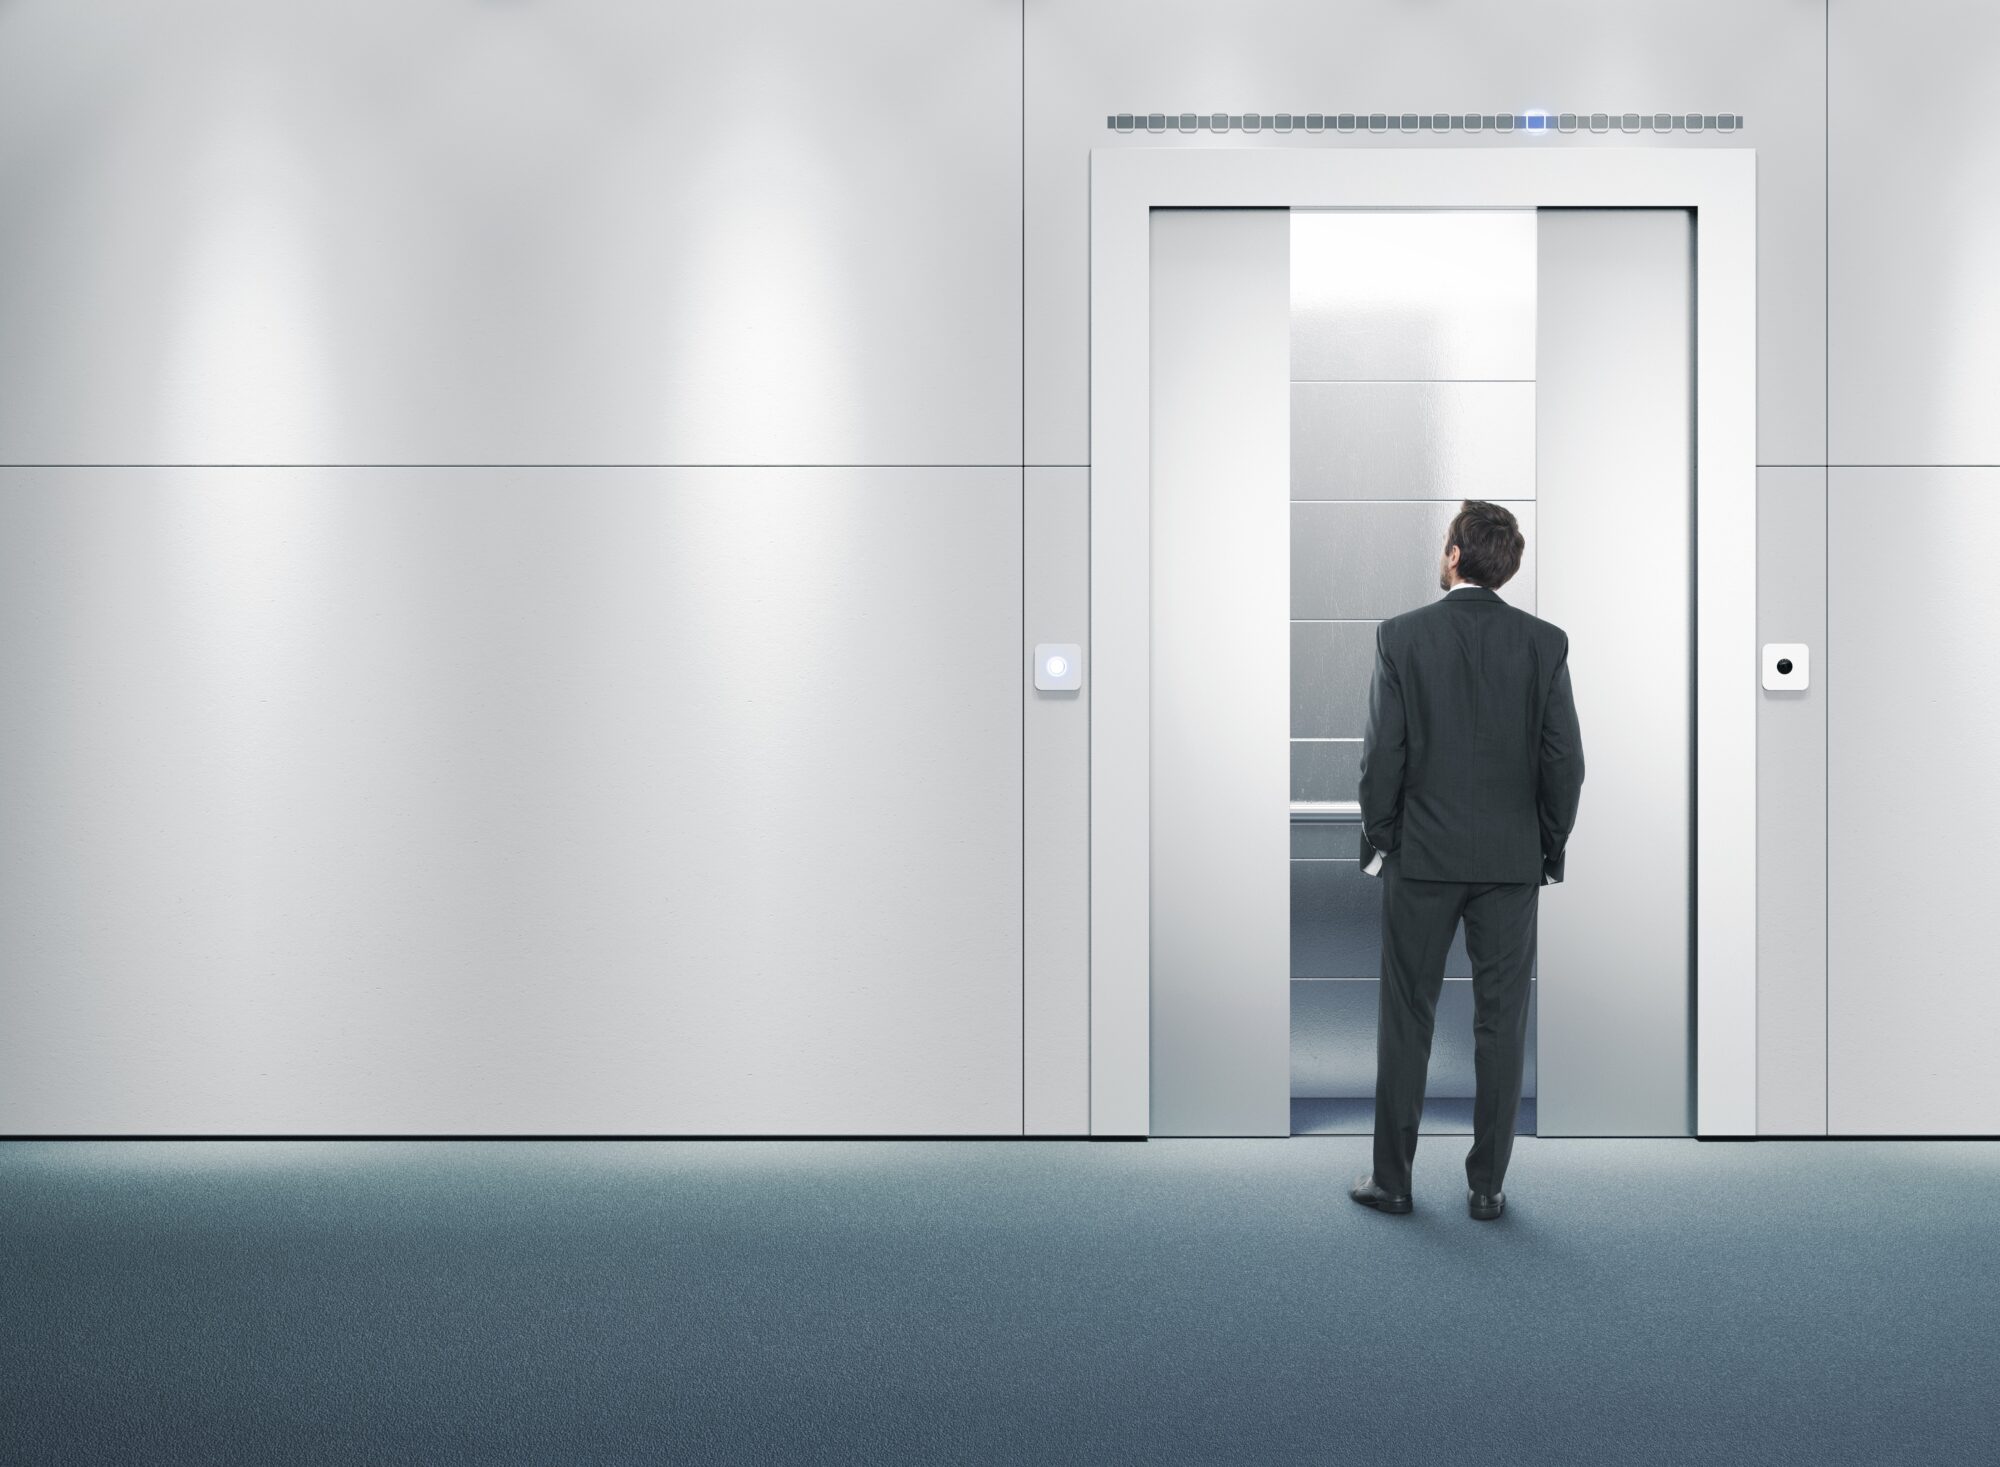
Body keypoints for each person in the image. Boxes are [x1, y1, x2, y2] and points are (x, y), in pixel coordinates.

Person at [1347, 500, 1584, 1222]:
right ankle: (1487, 1184)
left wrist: (1383, 837)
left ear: (1454, 556)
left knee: (1407, 1017)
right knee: (1501, 1023)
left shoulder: (1401, 637)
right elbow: (1565, 762)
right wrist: (1548, 845)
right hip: (1511, 864)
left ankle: (1393, 1180)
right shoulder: (1544, 643)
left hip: (1421, 857)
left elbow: (1381, 756)